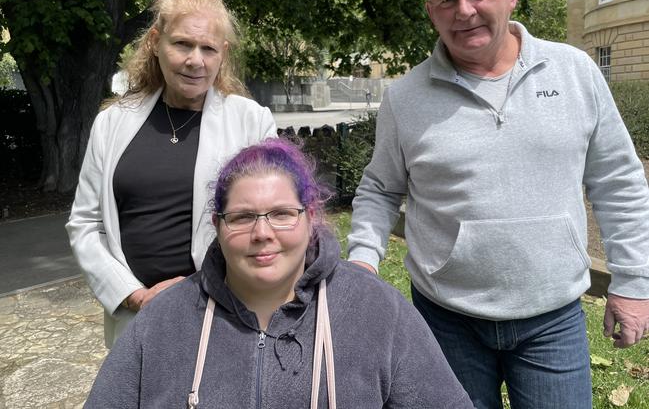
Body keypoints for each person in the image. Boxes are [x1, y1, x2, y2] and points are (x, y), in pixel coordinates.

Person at [347, 0, 649, 407]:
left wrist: (634, 282)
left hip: (553, 320)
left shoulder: (575, 73)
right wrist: (362, 261)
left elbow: (619, 181)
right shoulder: (405, 98)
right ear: (430, 12)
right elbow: (381, 188)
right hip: (445, 321)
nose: (464, 11)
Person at [84, 138, 474, 408]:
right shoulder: (164, 321)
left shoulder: (377, 310)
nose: (262, 233)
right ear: (218, 226)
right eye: (242, 217)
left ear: (311, 218)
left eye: (282, 214)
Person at [66, 0, 276, 348]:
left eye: (208, 48)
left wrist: (197, 287)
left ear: (222, 54)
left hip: (223, 311)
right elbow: (86, 223)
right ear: (155, 42)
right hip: (136, 318)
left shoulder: (251, 123)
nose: (196, 60)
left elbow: (267, 223)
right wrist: (132, 294)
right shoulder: (112, 123)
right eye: (182, 44)